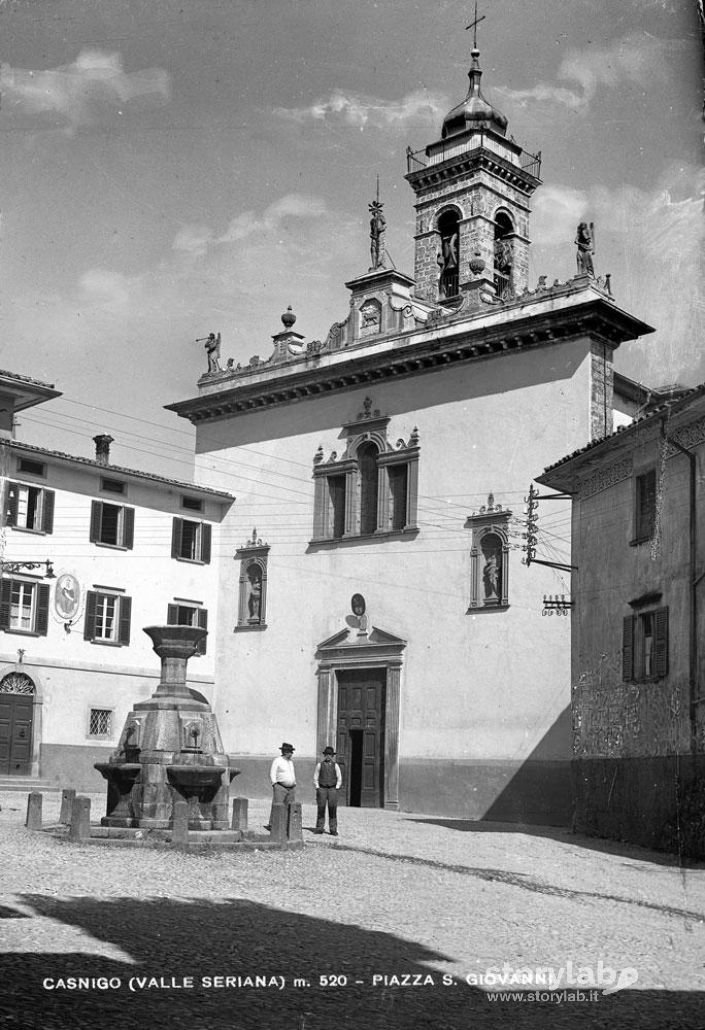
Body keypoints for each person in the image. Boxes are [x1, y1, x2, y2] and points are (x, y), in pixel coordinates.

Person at [264, 742, 296, 831]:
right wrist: (274, 784)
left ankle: (285, 825)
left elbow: (292, 773)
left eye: (292, 752)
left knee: (289, 806)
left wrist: (294, 782)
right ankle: (272, 824)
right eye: (290, 752)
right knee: (277, 805)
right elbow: (272, 772)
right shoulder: (277, 760)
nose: (291, 754)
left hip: (291, 788)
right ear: (285, 752)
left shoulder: (290, 762)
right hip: (280, 786)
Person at [313, 746, 342, 836]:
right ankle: (319, 827)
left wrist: (337, 787)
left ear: (332, 756)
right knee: (321, 808)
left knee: (332, 808)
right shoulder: (319, 765)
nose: (328, 756)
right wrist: (317, 787)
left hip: (332, 789)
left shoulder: (335, 765)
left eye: (330, 755)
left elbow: (339, 777)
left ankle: (333, 829)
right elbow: (315, 777)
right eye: (326, 755)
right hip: (322, 788)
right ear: (324, 755)